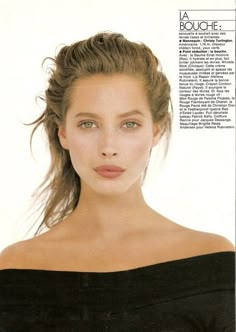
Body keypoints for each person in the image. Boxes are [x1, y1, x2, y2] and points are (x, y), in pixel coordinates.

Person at [0, 31, 235, 331]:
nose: (108, 146)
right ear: (63, 133)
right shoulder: (17, 269)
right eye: (88, 124)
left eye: (129, 124)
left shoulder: (213, 263)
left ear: (155, 131)